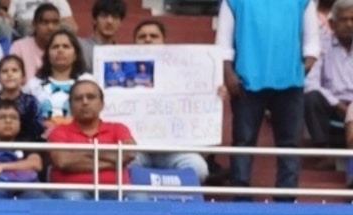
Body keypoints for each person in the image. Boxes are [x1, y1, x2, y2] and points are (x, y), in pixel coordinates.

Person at [219, 0, 318, 195]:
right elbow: (223, 40)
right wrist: (228, 73)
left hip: (290, 82)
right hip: (246, 80)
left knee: (290, 142)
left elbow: (312, 44)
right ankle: (240, 192)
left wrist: (297, 71)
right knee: (243, 140)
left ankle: (286, 195)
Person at [122, 20, 209, 182]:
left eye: (154, 36)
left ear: (164, 41)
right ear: (134, 42)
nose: (148, 40)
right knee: (122, 169)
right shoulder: (122, 72)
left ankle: (181, 206)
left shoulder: (183, 71)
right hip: (137, 148)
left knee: (198, 168)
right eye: (142, 36)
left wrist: (214, 93)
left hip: (174, 149)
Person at [46, 76, 135, 199]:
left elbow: (129, 154)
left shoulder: (118, 128)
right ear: (70, 106)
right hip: (72, 192)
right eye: (78, 98)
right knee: (71, 198)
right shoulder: (58, 132)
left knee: (139, 197)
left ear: (101, 104)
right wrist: (115, 161)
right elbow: (64, 162)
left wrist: (82, 153)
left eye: (91, 97)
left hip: (116, 191)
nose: (85, 102)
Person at [304, 0, 353, 174]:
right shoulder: (321, 45)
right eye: (344, 20)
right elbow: (311, 83)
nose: (349, 24)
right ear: (332, 23)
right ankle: (325, 152)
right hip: (333, 105)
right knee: (310, 96)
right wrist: (338, 105)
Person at [26, 28, 86, 127]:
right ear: (48, 54)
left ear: (75, 55)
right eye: (55, 47)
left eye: (66, 46)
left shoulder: (87, 81)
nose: (60, 50)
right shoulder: (33, 85)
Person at [7, 2, 58, 85]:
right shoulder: (19, 47)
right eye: (45, 22)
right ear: (34, 25)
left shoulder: (63, 49)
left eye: (55, 22)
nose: (50, 27)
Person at [77, 0, 125, 70]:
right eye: (104, 16)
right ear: (94, 20)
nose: (109, 21)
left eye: (115, 17)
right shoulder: (79, 46)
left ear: (120, 22)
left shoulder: (123, 53)